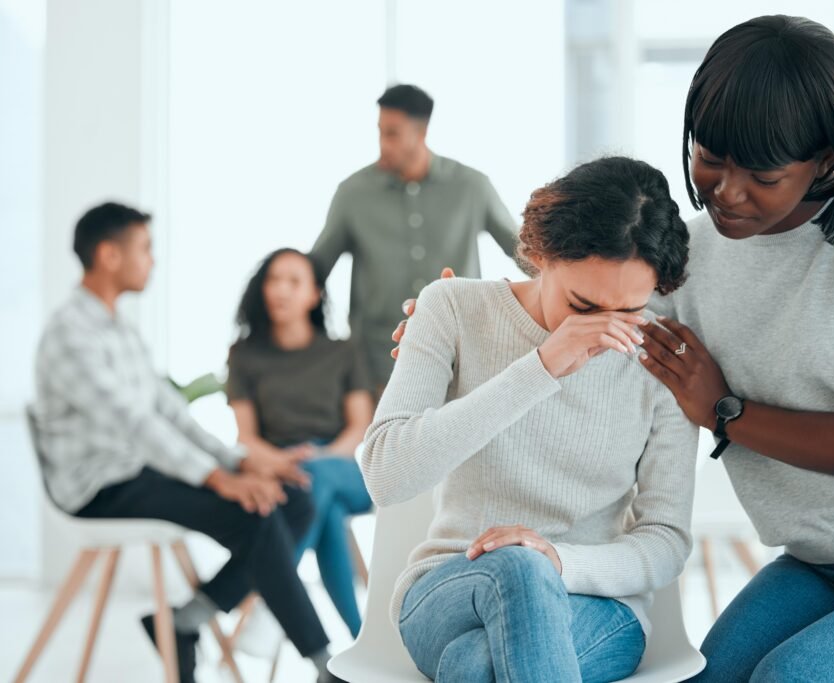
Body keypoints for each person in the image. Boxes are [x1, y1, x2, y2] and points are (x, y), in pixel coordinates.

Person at [393, 16, 834, 682]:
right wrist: (455, 321)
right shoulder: (685, 260)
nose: (726, 189)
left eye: (761, 173)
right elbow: (585, 302)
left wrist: (723, 410)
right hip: (817, 565)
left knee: (797, 677)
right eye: (710, 156)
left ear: (826, 160)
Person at [362, 156, 698, 683]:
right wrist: (540, 368)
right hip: (450, 588)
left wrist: (559, 562)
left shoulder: (661, 358)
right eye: (583, 305)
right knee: (517, 568)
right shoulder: (450, 309)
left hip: (595, 604)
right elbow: (386, 476)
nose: (605, 332)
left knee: (477, 668)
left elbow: (665, 540)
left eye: (628, 311)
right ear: (540, 254)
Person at [33, 203, 339, 683]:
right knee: (255, 513)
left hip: (137, 469)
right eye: (145, 249)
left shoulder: (119, 328)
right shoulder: (71, 334)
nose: (152, 260)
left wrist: (239, 462)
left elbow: (171, 413)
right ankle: (323, 663)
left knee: (293, 500)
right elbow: (133, 423)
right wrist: (218, 479)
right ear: (109, 255)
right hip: (98, 485)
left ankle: (182, 620)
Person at [310, 83, 520, 393]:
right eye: (380, 131)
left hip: (461, 357)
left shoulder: (472, 186)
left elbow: (526, 254)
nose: (383, 143)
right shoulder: (352, 193)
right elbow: (314, 270)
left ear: (421, 132)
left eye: (392, 133)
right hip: (377, 365)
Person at [227, 247, 375, 640]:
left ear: (314, 295)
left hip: (342, 467)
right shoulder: (244, 354)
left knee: (316, 480)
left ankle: (271, 596)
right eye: (274, 280)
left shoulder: (342, 351)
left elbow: (360, 426)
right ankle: (359, 639)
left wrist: (321, 457)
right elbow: (246, 437)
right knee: (322, 510)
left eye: (294, 282)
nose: (281, 290)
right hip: (286, 472)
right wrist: (279, 463)